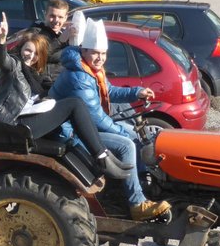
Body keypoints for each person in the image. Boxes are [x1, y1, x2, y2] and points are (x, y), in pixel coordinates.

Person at [50, 13, 171, 221]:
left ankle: (142, 185)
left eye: (103, 53)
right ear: (84, 51)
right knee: (127, 144)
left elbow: (110, 91)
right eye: (95, 53)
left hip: (85, 125)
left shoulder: (90, 68)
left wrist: (137, 92)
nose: (100, 58)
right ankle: (137, 203)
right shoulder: (78, 76)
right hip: (71, 132)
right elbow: (95, 117)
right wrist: (121, 131)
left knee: (137, 134)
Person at [0, 12, 129, 182]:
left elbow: (37, 93)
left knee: (70, 118)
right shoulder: (13, 66)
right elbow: (1, 59)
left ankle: (102, 156)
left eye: (36, 54)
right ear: (21, 49)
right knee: (74, 105)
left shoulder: (35, 74)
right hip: (11, 126)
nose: (31, 56)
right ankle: (101, 158)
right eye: (28, 50)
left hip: (24, 121)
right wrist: (1, 39)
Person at [28, 0, 75, 84]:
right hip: (45, 85)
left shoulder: (64, 34)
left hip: (64, 82)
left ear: (65, 18)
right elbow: (38, 54)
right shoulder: (35, 32)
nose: (56, 20)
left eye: (60, 17)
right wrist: (60, 41)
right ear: (45, 14)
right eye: (52, 16)